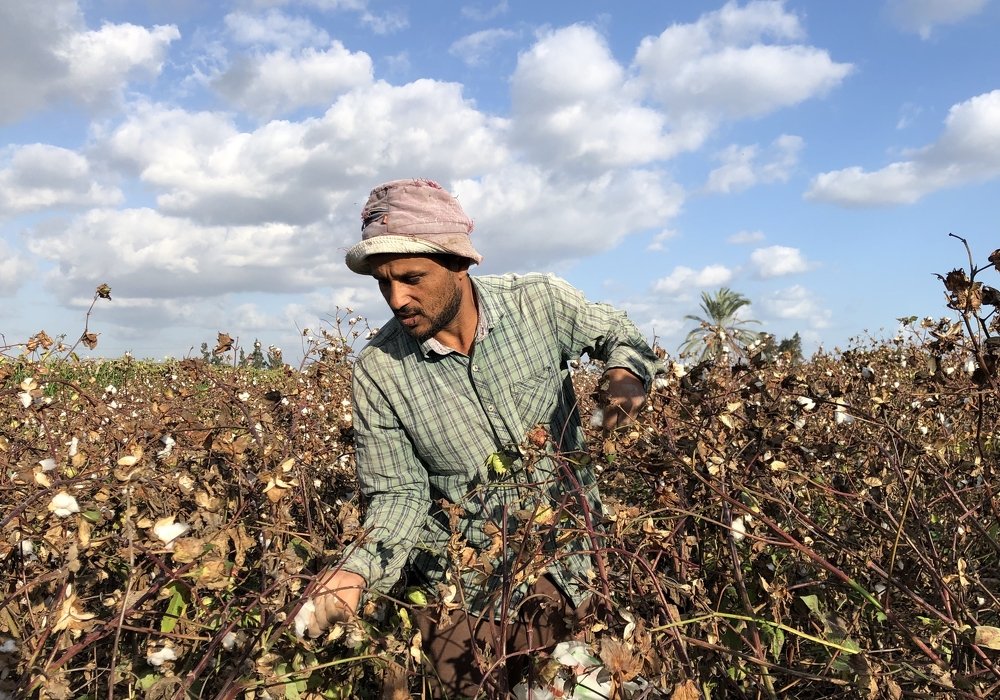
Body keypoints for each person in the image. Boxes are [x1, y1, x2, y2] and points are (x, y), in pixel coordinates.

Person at [302, 178, 663, 697]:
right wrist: (356, 573)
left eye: (411, 277)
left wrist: (625, 376)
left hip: (571, 558)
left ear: (459, 263)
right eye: (383, 283)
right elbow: (398, 496)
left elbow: (619, 334)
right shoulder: (378, 372)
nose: (396, 299)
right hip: (461, 586)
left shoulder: (539, 303)